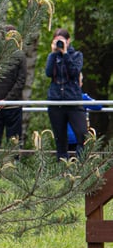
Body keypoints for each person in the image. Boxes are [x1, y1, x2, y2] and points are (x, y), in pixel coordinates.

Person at [45, 27, 87, 159]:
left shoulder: (77, 55)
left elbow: (74, 72)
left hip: (73, 100)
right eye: (56, 41)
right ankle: (63, 173)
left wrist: (65, 53)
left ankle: (80, 169)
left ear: (68, 41)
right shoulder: (52, 57)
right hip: (56, 101)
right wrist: (53, 53)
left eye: (61, 41)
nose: (59, 43)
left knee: (82, 136)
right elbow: (48, 73)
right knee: (60, 140)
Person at [0, 25, 27, 148]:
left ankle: (6, 166)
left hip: (7, 105)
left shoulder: (18, 55)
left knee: (8, 142)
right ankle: (1, 166)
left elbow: (21, 80)